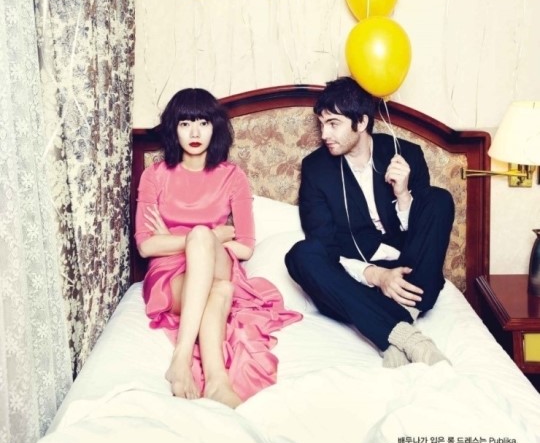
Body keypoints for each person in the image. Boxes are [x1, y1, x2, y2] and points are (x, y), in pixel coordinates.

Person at [135, 88, 301, 408]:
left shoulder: (232, 176)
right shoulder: (155, 176)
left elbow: (246, 248)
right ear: (174, 129)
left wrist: (199, 241)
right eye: (185, 124)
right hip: (169, 274)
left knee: (204, 244)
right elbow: (145, 246)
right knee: (221, 289)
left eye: (203, 123)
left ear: (215, 128)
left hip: (218, 262)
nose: (195, 133)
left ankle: (181, 358)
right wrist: (211, 236)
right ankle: (216, 381)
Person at [285, 77, 455, 368]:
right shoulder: (316, 168)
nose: (324, 134)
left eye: (333, 124)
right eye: (321, 124)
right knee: (301, 255)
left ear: (361, 121)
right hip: (355, 281)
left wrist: (403, 195)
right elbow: (323, 243)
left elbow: (424, 233)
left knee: (439, 199)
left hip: (411, 278)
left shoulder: (407, 154)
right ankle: (405, 335)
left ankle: (388, 318)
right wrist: (375, 275)